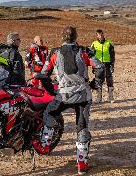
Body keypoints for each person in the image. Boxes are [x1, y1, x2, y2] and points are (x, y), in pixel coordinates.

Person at [36, 26, 104, 174]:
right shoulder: (85, 51)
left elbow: (43, 74)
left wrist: (51, 91)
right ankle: (82, 164)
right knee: (82, 126)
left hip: (63, 95)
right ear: (76, 37)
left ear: (62, 37)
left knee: (49, 114)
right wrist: (95, 83)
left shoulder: (54, 52)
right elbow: (100, 66)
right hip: (83, 95)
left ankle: (45, 145)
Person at [90, 29, 115, 103]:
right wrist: (93, 66)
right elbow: (92, 56)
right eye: (99, 34)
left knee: (109, 80)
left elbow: (112, 55)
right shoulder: (94, 44)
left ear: (103, 34)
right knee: (98, 81)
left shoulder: (109, 43)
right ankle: (99, 98)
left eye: (102, 34)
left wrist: (112, 64)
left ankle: (110, 97)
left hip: (107, 64)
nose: (100, 36)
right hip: (98, 65)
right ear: (96, 36)